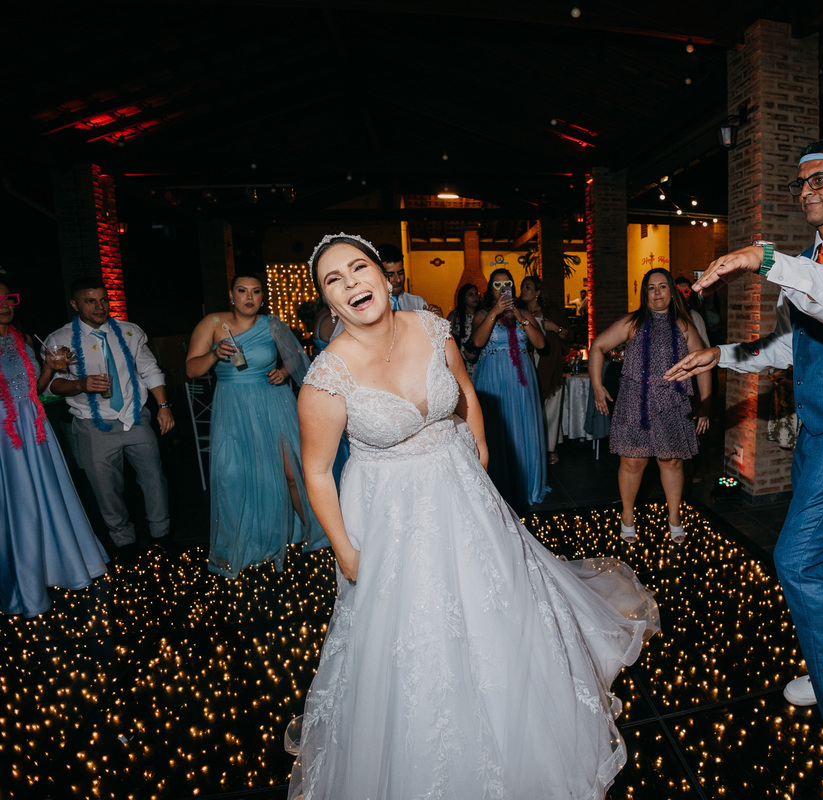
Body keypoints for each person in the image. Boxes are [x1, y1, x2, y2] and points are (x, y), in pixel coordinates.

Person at [288, 233, 659, 800]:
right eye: (333, 279)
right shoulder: (325, 378)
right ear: (328, 300)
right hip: (389, 513)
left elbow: (464, 390)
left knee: (497, 601)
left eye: (359, 268)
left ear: (385, 276)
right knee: (412, 630)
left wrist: (479, 452)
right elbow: (317, 473)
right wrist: (345, 550)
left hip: (460, 487)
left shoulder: (431, 328)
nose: (351, 283)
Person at [664, 138, 823, 762]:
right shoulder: (806, 262)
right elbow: (787, 345)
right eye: (801, 182)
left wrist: (765, 257)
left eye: (820, 179)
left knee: (798, 560)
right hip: (819, 428)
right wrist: (721, 355)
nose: (807, 191)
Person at [185, 273, 326, 578]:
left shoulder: (272, 324)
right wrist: (213, 354)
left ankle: (312, 533)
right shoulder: (212, 323)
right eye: (242, 291)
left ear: (262, 297)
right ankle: (245, 541)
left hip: (273, 402)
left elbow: (296, 357)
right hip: (233, 407)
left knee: (291, 472)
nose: (249, 297)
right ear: (231, 295)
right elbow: (191, 369)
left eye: (256, 291)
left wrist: (284, 372)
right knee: (233, 476)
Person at [43, 277, 175, 556]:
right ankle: (124, 542)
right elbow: (52, 385)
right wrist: (81, 384)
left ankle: (162, 537)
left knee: (155, 480)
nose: (99, 307)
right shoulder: (59, 340)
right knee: (106, 489)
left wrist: (163, 406)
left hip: (135, 417)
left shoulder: (129, 331)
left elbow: (150, 370)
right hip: (93, 425)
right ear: (74, 304)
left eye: (103, 299)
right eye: (90, 301)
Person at [2, 283, 107, 617]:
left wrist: (49, 365)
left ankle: (60, 563)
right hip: (5, 432)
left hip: (35, 425)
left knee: (48, 494)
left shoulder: (22, 340)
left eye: (9, 298)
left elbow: (35, 389)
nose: (4, 304)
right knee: (18, 502)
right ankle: (26, 580)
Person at [590, 268, 712, 543]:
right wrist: (597, 386)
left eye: (662, 286)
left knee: (671, 461)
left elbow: (703, 364)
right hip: (635, 401)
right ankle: (627, 516)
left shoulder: (683, 325)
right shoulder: (633, 322)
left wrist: (704, 405)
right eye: (651, 287)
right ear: (644, 293)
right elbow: (598, 346)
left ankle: (674, 518)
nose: (657, 292)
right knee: (633, 461)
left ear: (671, 291)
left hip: (672, 402)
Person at [471, 268, 550, 508]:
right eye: (497, 285)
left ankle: (526, 484)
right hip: (493, 379)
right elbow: (477, 342)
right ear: (490, 289)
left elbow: (541, 344)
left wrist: (520, 317)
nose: (502, 288)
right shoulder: (482, 314)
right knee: (497, 430)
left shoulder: (523, 312)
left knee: (523, 427)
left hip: (521, 379)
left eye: (507, 284)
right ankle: (498, 488)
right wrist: (495, 312)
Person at [520, 275, 572, 464]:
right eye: (522, 287)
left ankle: (551, 448)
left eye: (528, 287)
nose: (523, 290)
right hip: (526, 361)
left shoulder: (551, 311)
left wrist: (554, 328)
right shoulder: (518, 311)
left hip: (548, 362)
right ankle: (532, 445)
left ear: (538, 292)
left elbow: (568, 336)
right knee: (530, 407)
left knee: (551, 407)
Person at [378, 243, 441, 315]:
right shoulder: (374, 306)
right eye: (390, 275)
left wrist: (436, 318)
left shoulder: (418, 303)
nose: (398, 280)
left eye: (400, 273)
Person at [446, 282, 480, 378]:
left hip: (479, 360)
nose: (475, 297)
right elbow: (445, 337)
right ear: (463, 298)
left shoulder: (482, 315)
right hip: (461, 360)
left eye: (476, 294)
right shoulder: (455, 316)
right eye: (470, 295)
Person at [675, 275, 711, 346]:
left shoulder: (694, 316)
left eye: (686, 291)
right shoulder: (665, 314)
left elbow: (705, 344)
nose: (682, 295)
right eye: (679, 291)